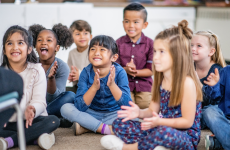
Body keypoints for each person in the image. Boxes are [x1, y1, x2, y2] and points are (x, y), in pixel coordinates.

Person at [101, 20, 203, 150]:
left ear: (178, 55)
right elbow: (151, 111)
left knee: (162, 133)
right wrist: (138, 113)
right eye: (155, 51)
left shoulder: (187, 83)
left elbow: (187, 122)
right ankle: (154, 145)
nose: (155, 57)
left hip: (184, 136)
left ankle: (128, 148)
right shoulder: (160, 80)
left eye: (162, 52)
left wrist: (159, 122)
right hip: (160, 127)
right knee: (119, 123)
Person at [0, 25, 59, 150]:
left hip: (32, 121)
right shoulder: (2, 73)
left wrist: (32, 109)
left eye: (20, 43)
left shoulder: (37, 70)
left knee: (53, 121)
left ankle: (9, 141)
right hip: (8, 123)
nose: (15, 47)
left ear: (29, 49)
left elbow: (40, 101)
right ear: (4, 50)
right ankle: (36, 138)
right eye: (9, 43)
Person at [61, 35, 132, 136]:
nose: (96, 53)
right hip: (91, 113)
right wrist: (94, 87)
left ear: (114, 57)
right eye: (93, 49)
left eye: (102, 49)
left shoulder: (120, 72)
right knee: (66, 108)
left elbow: (127, 105)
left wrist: (112, 85)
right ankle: (106, 129)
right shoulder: (85, 73)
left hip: (114, 114)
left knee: (134, 117)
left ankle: (87, 127)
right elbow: (80, 107)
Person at [29, 24, 75, 127]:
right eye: (40, 40)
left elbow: (54, 98)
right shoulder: (30, 64)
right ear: (35, 46)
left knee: (70, 96)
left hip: (52, 105)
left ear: (56, 48)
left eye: (49, 40)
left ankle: (40, 118)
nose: (44, 42)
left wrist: (51, 78)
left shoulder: (62, 67)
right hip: (33, 104)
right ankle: (52, 119)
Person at [116, 3, 153, 109]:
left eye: (136, 22)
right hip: (125, 84)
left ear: (144, 25)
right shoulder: (118, 43)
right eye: (127, 21)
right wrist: (126, 70)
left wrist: (136, 72)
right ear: (123, 23)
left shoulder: (150, 44)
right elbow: (114, 68)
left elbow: (151, 70)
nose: (131, 25)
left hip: (145, 85)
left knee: (145, 105)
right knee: (126, 104)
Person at [191, 31, 226, 129]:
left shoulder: (217, 72)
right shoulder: (190, 67)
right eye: (191, 45)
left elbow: (212, 103)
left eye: (199, 46)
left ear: (211, 52)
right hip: (196, 109)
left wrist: (198, 82)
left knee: (207, 113)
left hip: (213, 108)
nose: (193, 49)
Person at [201, 66, 230, 150]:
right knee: (209, 112)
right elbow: (214, 98)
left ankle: (218, 142)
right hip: (224, 118)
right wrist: (214, 86)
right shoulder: (226, 71)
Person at [67, 20, 92, 91]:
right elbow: (70, 70)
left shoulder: (93, 51)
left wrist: (81, 75)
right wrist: (71, 76)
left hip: (90, 86)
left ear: (90, 36)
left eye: (85, 33)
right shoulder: (71, 53)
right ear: (71, 38)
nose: (82, 37)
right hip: (77, 86)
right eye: (78, 34)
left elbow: (96, 71)